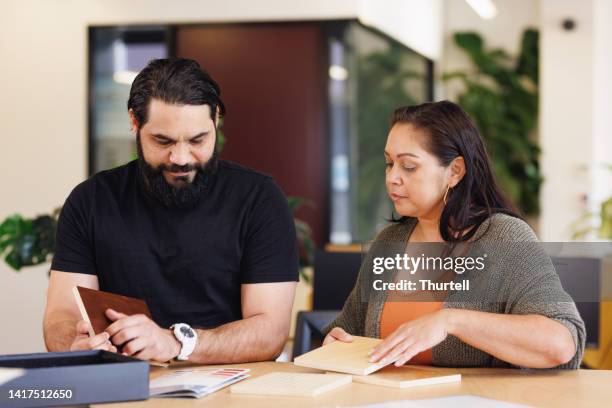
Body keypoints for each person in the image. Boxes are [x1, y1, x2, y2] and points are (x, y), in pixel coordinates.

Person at [43, 58, 298, 364]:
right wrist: (75, 341)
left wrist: (176, 343)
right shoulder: (91, 201)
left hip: (227, 389)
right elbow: (61, 315)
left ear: (215, 119)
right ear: (135, 122)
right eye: (162, 140)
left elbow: (270, 331)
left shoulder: (258, 199)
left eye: (197, 140)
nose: (180, 158)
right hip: (122, 383)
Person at [324, 101, 585, 369]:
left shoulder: (504, 238)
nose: (392, 177)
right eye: (390, 164)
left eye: (409, 166)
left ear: (455, 171)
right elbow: (347, 329)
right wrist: (334, 343)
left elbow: (561, 342)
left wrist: (450, 321)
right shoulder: (389, 242)